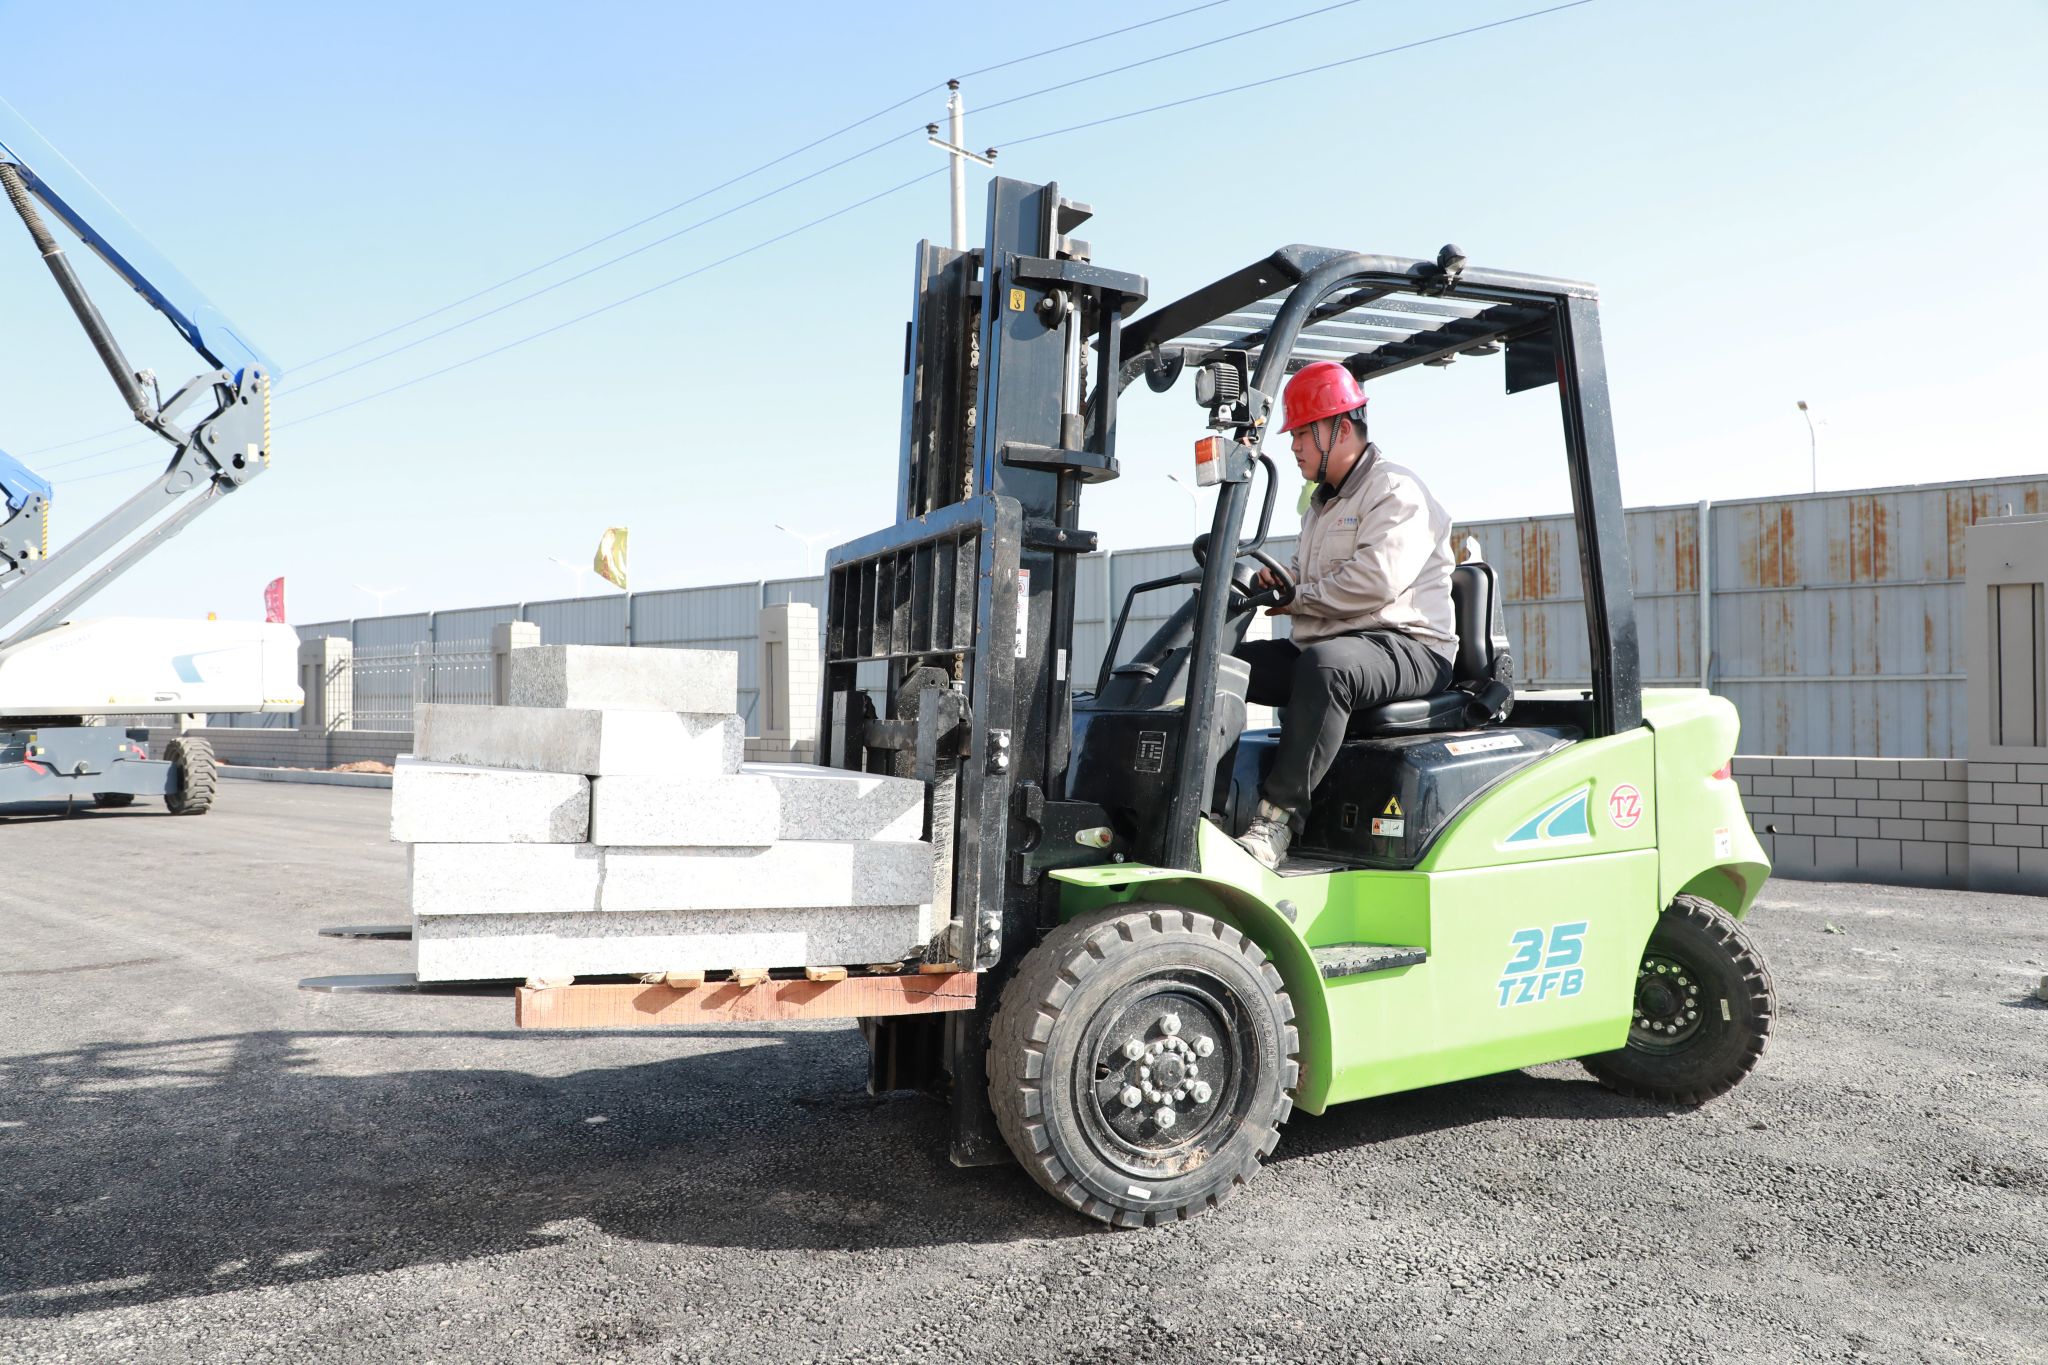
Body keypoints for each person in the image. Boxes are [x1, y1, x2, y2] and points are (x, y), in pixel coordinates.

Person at [1231, 360, 1458, 869]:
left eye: (1301, 434)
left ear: (1339, 429)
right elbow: (1302, 573)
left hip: (1409, 646)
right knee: (1224, 664)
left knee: (1327, 668)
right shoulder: (1321, 505)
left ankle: (1275, 822)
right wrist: (1276, 582)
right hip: (1336, 642)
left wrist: (1296, 597)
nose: (1294, 447)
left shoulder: (1395, 490)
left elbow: (1374, 582)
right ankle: (1203, 802)